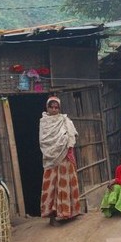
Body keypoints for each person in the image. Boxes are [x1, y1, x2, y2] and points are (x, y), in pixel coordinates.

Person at [38, 96, 81, 225]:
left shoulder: (65, 120)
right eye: (51, 107)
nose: (54, 109)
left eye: (56, 107)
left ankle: (69, 212)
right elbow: (43, 141)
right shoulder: (44, 122)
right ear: (47, 107)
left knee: (66, 183)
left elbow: (71, 136)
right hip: (51, 159)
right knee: (51, 186)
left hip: (64, 157)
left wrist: (68, 148)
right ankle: (52, 216)